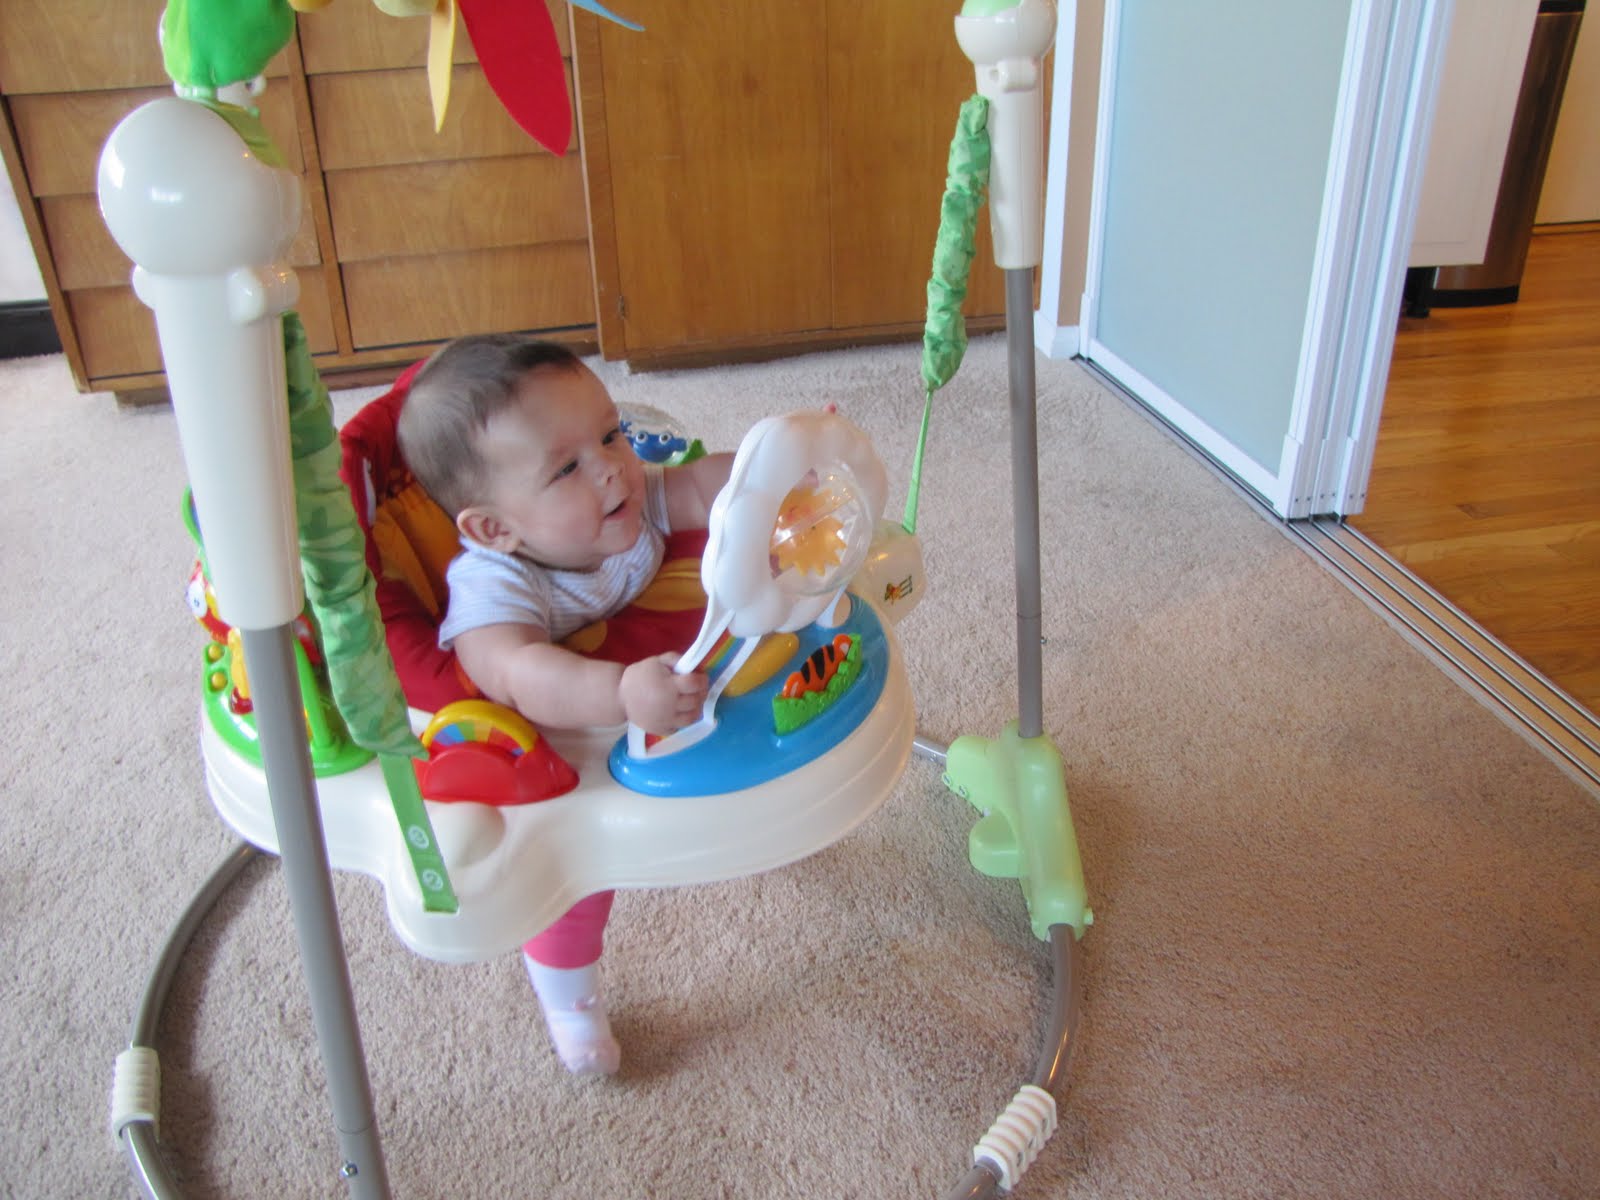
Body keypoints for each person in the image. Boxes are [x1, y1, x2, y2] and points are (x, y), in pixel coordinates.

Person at [398, 334, 733, 1076]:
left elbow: (699, 489)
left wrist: (769, 470)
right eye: (567, 467)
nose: (613, 466)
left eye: (610, 433)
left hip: (659, 676)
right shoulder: (494, 585)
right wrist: (617, 690)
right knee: (568, 872)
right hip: (560, 746)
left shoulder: (623, 494)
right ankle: (569, 996)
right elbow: (513, 672)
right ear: (496, 527)